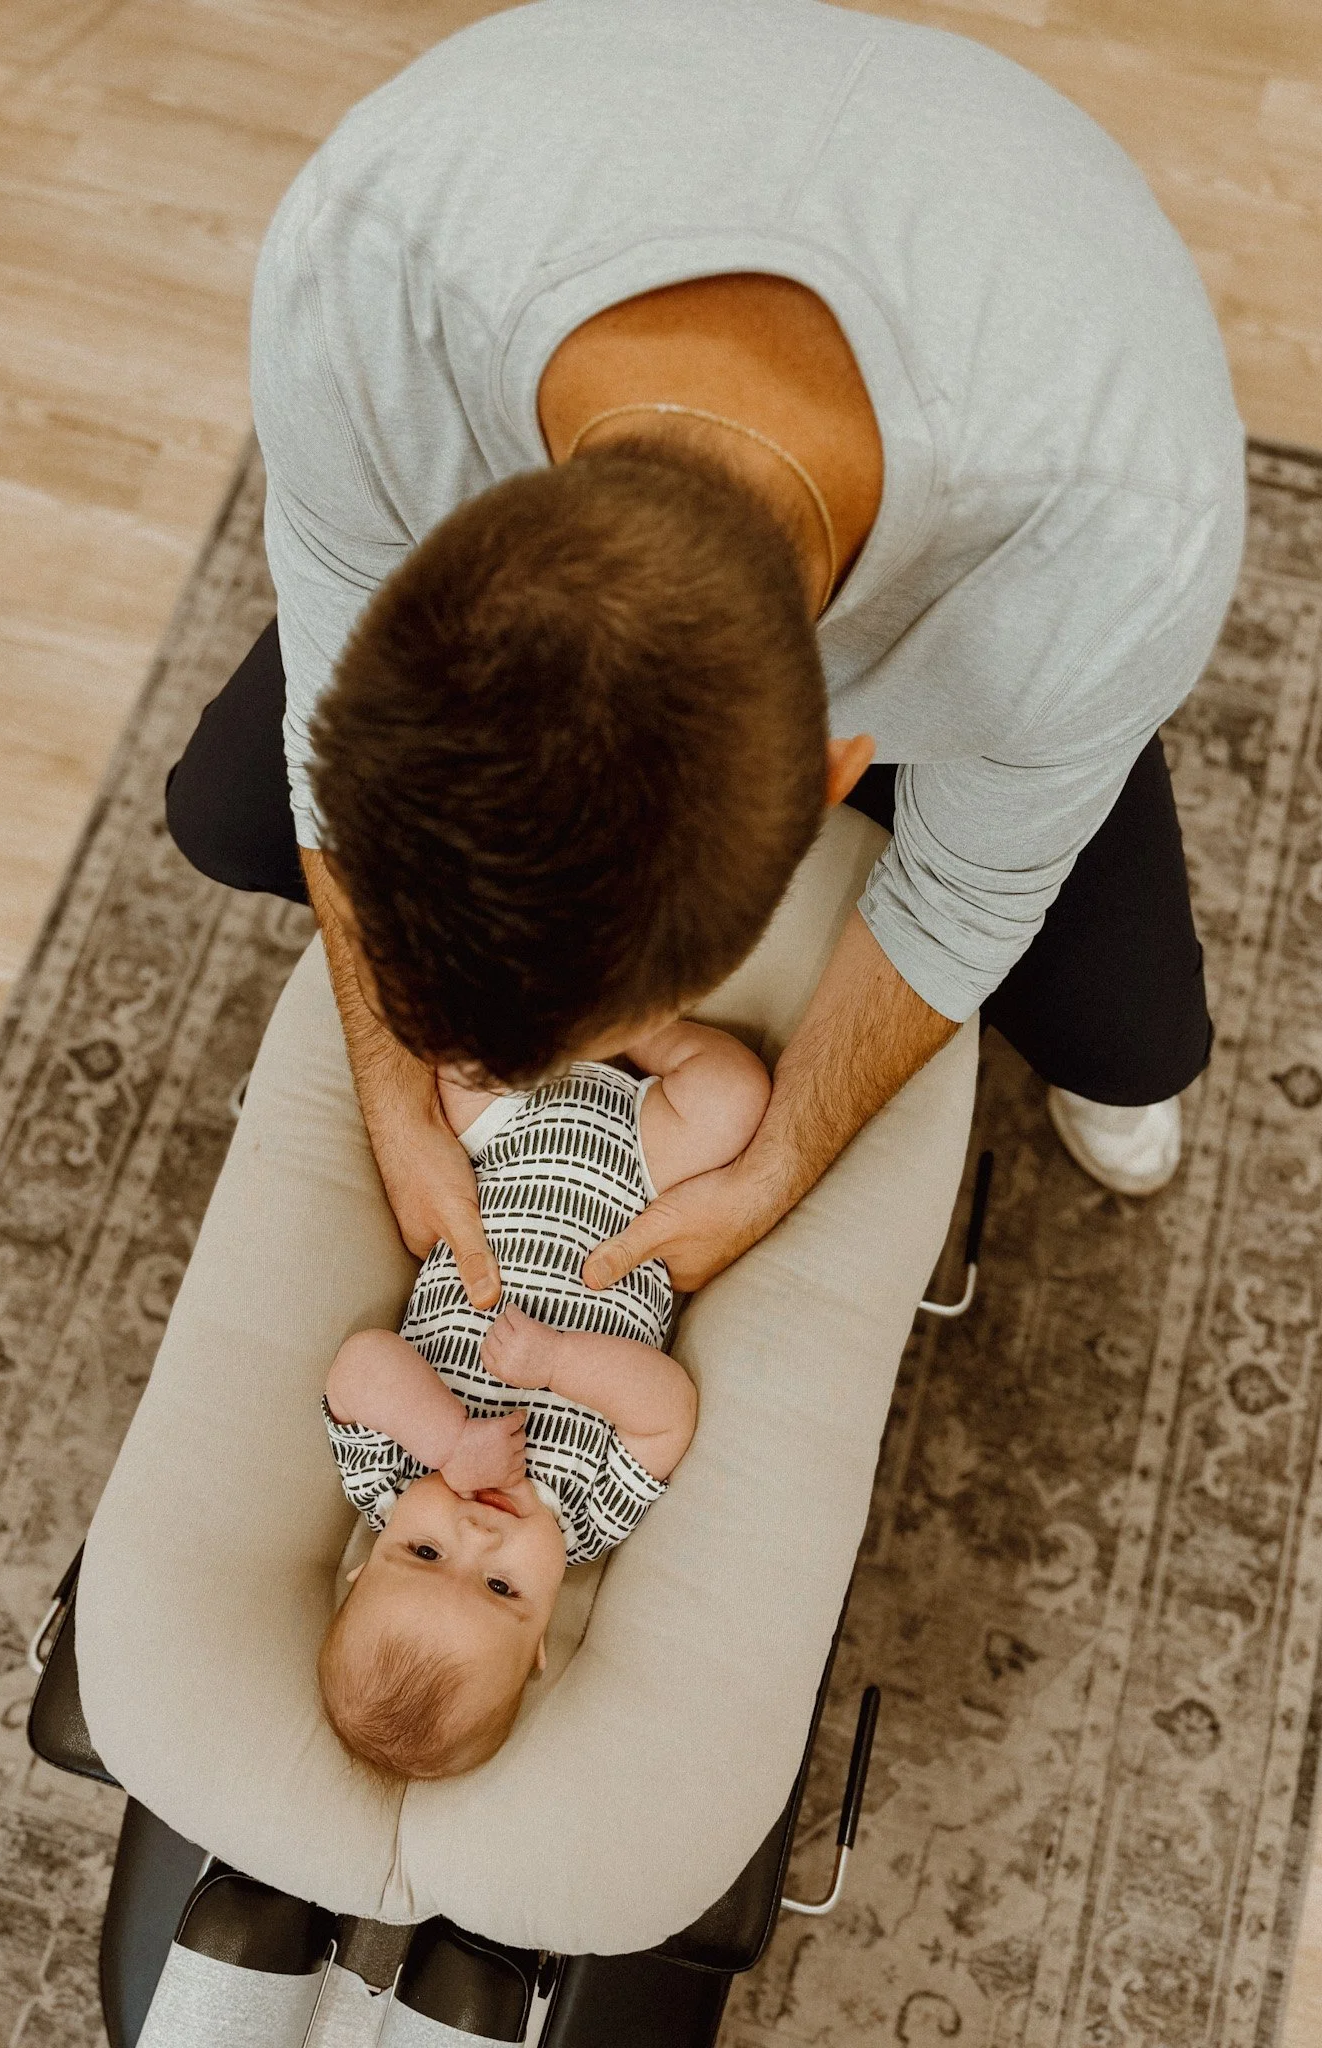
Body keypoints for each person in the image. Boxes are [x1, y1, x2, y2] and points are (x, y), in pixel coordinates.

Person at [166, 0, 1245, 1316]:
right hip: (641, 235)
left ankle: (1098, 966)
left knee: (1135, 1044)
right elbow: (322, 682)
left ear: (841, 770)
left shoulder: (1115, 548)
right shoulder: (366, 272)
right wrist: (395, 1094)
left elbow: (965, 896)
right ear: (419, 589)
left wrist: (779, 1167)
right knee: (224, 816)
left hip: (1013, 525)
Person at [318, 1018, 769, 1779]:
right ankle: (633, 1024)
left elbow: (361, 1366)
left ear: (365, 1564)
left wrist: (449, 1440)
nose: (475, 1534)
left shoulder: (386, 1479)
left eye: (424, 1552)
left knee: (457, 1033)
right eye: (501, 1586)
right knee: (736, 1094)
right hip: (643, 1177)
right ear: (540, 1646)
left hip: (495, 1145)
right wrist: (559, 1362)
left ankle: (558, 1015)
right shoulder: (590, 1518)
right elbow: (667, 1411)